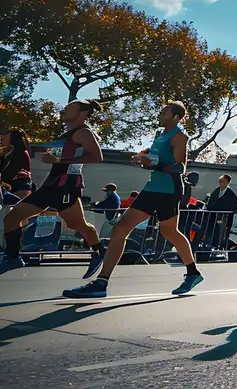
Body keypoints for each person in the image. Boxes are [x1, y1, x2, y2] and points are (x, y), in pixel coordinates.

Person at [63, 101, 203, 298]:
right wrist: (143, 160)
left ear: (176, 117)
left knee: (139, 230)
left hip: (168, 189)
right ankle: (193, 273)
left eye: (165, 111)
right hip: (154, 186)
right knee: (153, 230)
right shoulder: (160, 134)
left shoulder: (179, 136)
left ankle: (102, 282)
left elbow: (179, 168)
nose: (160, 114)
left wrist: (151, 164)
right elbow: (155, 160)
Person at [1, 100, 106, 277]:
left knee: (77, 224)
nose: (65, 109)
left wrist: (59, 160)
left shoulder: (83, 132)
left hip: (66, 187)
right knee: (12, 219)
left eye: (70, 107)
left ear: (83, 112)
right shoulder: (68, 134)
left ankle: (99, 252)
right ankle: (13, 257)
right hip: (51, 185)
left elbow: (96, 157)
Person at [1, 127, 33, 205]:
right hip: (14, 187)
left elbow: (11, 172)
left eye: (5, 133)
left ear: (13, 136)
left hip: (18, 188)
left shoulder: (19, 152)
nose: (1, 136)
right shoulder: (10, 152)